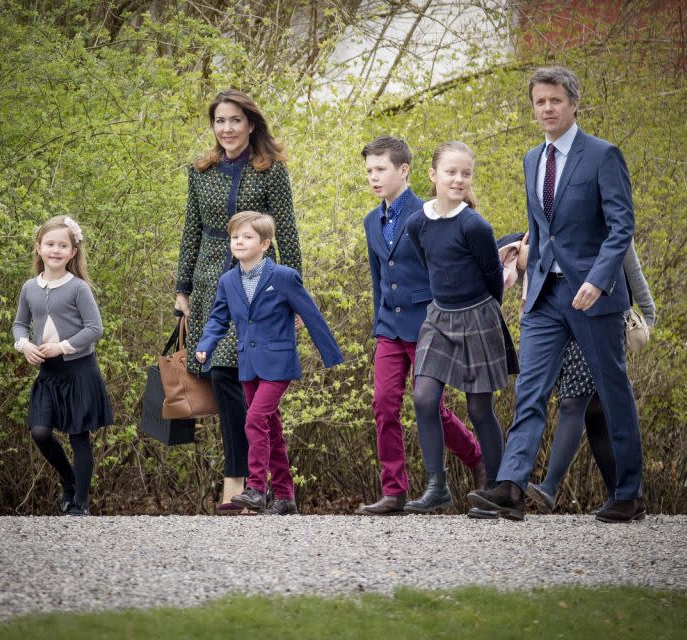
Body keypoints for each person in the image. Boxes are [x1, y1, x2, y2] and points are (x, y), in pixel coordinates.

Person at [469, 65, 645, 523]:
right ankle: (510, 488)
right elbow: (543, 227)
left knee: (613, 390)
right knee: (529, 390)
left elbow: (622, 227)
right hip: (544, 295)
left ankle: (628, 493)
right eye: (539, 102)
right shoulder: (532, 159)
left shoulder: (604, 156)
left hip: (594, 296)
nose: (547, 108)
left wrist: (599, 278)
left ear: (573, 103)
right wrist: (521, 251)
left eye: (555, 101)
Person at [175, 89, 302, 515]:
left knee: (234, 377)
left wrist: (293, 296)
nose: (226, 128)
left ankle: (245, 485)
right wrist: (182, 291)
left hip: (257, 289)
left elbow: (287, 233)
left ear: (250, 124)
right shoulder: (201, 171)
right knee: (223, 377)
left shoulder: (270, 171)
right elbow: (190, 231)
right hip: (210, 281)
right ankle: (265, 488)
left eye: (234, 120)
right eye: (219, 121)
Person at [356, 136, 486, 516]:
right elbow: (378, 275)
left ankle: (478, 461)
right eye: (369, 171)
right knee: (383, 405)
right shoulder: (370, 220)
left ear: (404, 170)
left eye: (380, 169)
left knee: (430, 407)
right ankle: (394, 491)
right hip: (389, 328)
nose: (373, 178)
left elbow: (444, 270)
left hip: (429, 323)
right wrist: (378, 323)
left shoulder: (428, 213)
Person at [194, 212, 343, 515]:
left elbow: (310, 314)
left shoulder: (283, 277)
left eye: (246, 237)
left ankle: (257, 489)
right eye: (235, 237)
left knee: (254, 419)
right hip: (248, 364)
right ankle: (286, 497)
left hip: (278, 363)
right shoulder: (228, 281)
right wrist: (205, 346)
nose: (239, 241)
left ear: (264, 244)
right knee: (271, 429)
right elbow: (218, 318)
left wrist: (330, 355)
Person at [403, 141, 518, 515]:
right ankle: (437, 486)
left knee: (479, 409)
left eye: (465, 174)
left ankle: (496, 490)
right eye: (450, 172)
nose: (458, 179)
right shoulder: (417, 222)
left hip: (478, 316)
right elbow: (428, 262)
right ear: (433, 175)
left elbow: (492, 279)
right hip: (439, 317)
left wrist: (482, 317)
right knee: (423, 397)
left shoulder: (475, 224)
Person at [525, 240, 656, 514]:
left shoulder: (608, 223)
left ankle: (549, 488)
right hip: (562, 320)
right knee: (594, 412)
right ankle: (623, 496)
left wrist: (649, 313)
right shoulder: (555, 223)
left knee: (574, 402)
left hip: (601, 317)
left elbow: (631, 266)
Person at [12, 216, 113, 516]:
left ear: (72, 252)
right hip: (49, 373)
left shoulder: (78, 288)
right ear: (39, 248)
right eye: (50, 244)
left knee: (78, 435)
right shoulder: (30, 287)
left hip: (79, 370)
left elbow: (95, 328)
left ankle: (80, 502)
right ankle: (68, 480)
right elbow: (20, 324)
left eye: (63, 246)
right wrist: (25, 344)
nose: (55, 250)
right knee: (40, 431)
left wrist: (62, 347)